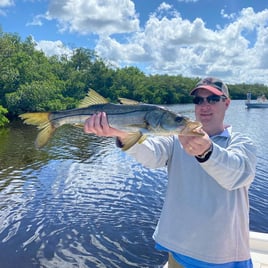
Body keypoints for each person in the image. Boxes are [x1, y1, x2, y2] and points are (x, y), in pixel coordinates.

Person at [84, 77, 257, 268]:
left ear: (227, 103)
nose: (204, 105)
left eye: (213, 99)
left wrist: (207, 152)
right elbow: (152, 155)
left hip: (224, 256)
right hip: (180, 252)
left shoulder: (242, 144)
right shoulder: (176, 140)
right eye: (198, 100)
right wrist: (123, 135)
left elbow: (237, 175)